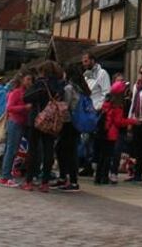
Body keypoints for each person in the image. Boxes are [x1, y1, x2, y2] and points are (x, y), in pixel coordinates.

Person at [23, 60, 64, 192]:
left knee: (33, 150)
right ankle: (45, 182)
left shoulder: (40, 84)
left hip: (37, 119)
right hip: (52, 121)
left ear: (43, 71)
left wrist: (38, 92)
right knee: (48, 151)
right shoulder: (59, 85)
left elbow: (26, 98)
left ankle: (29, 180)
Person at [55, 62, 88, 191]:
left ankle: (69, 179)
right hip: (77, 122)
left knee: (63, 150)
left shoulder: (69, 88)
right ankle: (69, 178)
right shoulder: (82, 88)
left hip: (68, 122)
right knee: (71, 150)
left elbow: (66, 106)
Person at [95, 81, 135, 185]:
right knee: (108, 156)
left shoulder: (107, 102)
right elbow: (119, 122)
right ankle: (104, 177)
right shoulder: (118, 106)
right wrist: (132, 121)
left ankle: (98, 177)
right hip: (111, 134)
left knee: (102, 156)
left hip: (103, 133)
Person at [0, 70, 31, 187]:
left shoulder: (25, 92)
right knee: (11, 149)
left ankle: (6, 175)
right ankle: (5, 176)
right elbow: (10, 107)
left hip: (21, 122)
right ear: (22, 80)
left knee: (13, 149)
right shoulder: (16, 92)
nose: (30, 82)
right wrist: (24, 107)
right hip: (15, 122)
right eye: (28, 79)